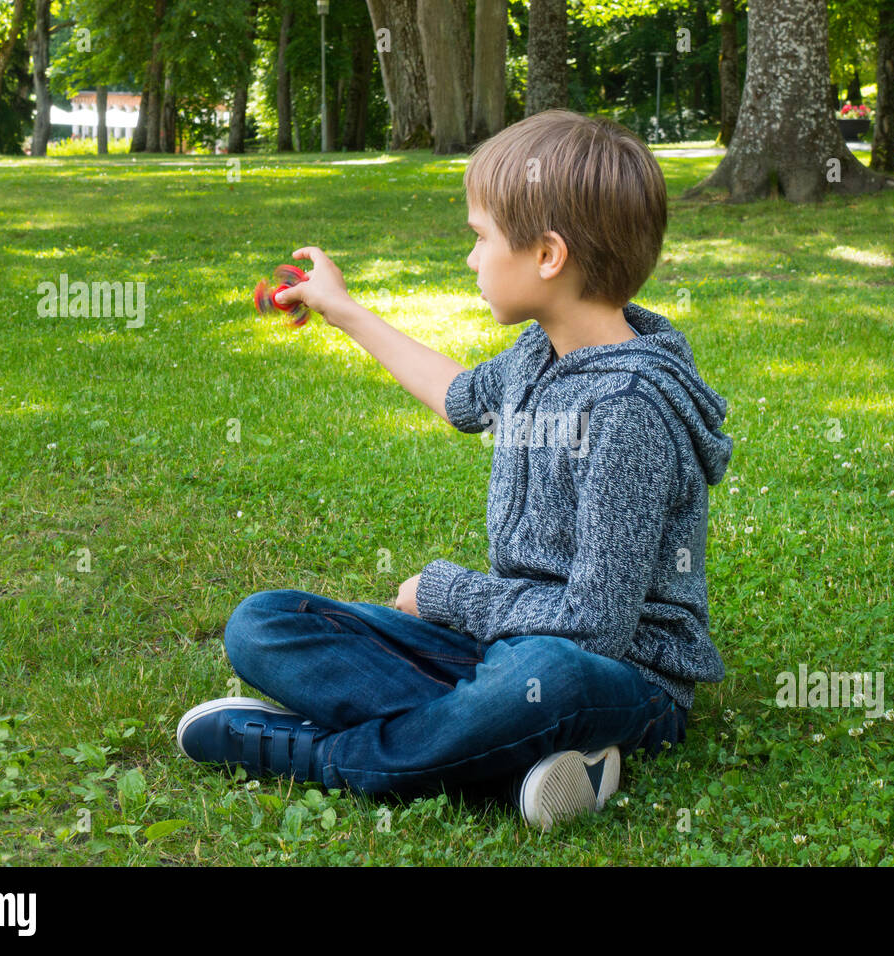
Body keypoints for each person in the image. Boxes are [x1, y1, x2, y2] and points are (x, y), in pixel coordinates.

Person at [177, 109, 734, 831]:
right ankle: (506, 762)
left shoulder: (629, 409)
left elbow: (596, 628)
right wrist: (343, 310)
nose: (470, 259)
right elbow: (459, 397)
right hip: (502, 651)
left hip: (621, 680)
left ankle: (327, 758)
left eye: (480, 238)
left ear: (547, 257)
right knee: (267, 624)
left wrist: (447, 592)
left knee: (545, 676)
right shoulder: (539, 354)